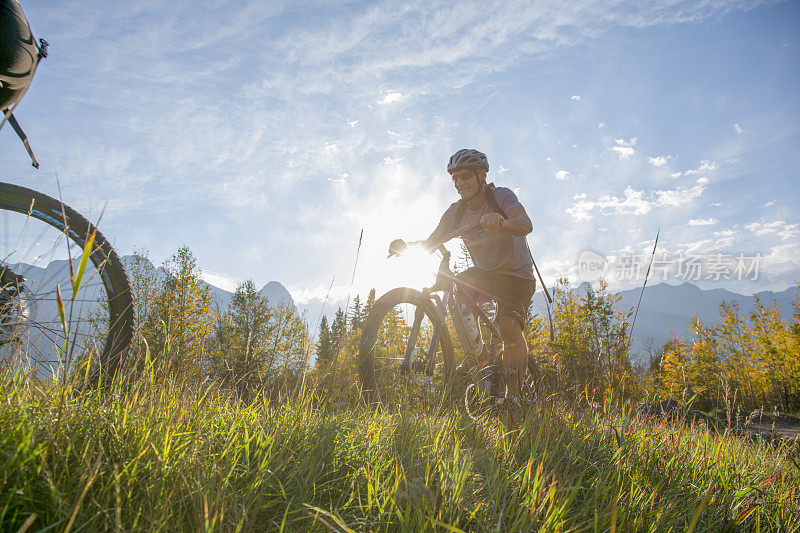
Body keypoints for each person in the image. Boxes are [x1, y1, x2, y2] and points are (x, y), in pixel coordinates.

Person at [389, 148, 535, 402]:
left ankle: (514, 400)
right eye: (454, 178)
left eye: (465, 176)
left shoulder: (501, 196)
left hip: (516, 275)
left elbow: (525, 224)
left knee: (509, 330)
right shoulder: (455, 212)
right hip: (485, 274)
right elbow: (432, 242)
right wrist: (408, 247)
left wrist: (501, 221)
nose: (459, 183)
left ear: (482, 175)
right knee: (458, 293)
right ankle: (481, 363)